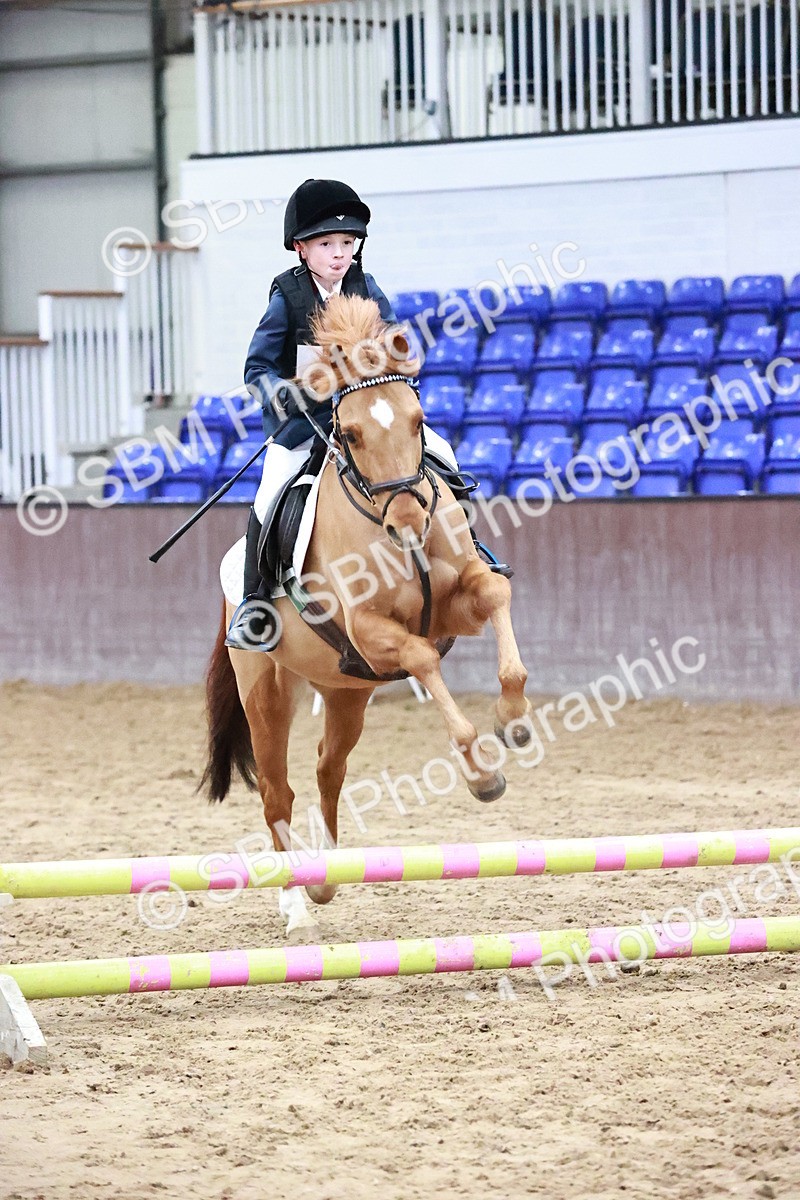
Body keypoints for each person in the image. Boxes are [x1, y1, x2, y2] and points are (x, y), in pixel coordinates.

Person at [225, 177, 509, 652]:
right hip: (307, 425)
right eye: (326, 244)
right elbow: (257, 367)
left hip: (369, 424)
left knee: (443, 456)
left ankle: (470, 550)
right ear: (301, 248)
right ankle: (256, 602)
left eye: (347, 243)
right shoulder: (287, 297)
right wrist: (281, 393)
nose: (339, 253)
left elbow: (396, 339)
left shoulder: (366, 286)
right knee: (270, 495)